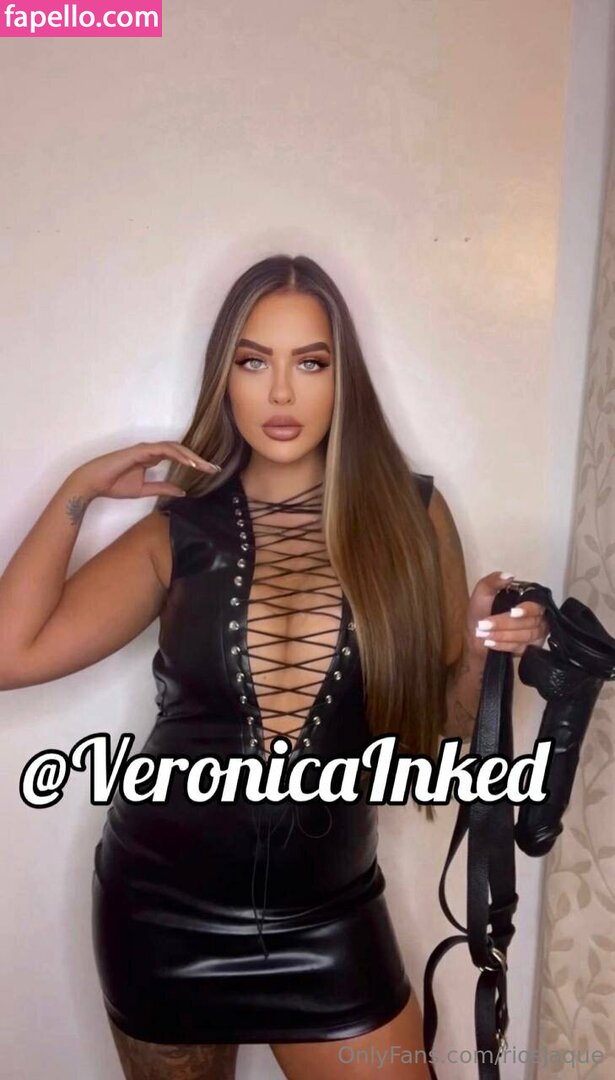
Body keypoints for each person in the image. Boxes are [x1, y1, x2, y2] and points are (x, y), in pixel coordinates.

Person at [0, 254, 548, 1079]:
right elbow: (11, 655)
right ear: (225, 378)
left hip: (329, 920)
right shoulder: (180, 529)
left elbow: (444, 733)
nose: (281, 393)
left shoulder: (411, 516)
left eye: (310, 362)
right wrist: (77, 490)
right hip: (162, 916)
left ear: (343, 378)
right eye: (254, 362)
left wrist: (481, 643)